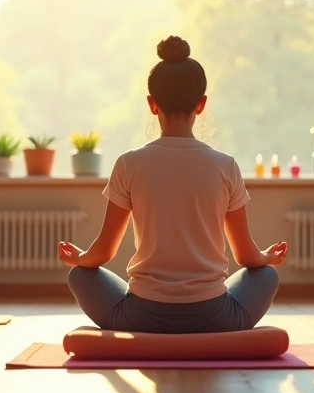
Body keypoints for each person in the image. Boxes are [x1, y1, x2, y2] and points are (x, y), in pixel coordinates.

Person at [57, 36, 287, 333]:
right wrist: (267, 257)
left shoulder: (129, 163)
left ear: (152, 105)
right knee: (266, 274)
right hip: (215, 318)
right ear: (201, 105)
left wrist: (80, 257)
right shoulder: (225, 164)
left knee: (79, 275)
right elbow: (246, 256)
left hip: (140, 317)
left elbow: (103, 251)